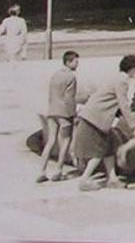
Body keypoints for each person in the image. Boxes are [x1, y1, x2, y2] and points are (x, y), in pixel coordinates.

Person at [73, 54, 135, 190]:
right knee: (99, 151)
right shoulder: (122, 82)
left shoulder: (114, 78)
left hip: (93, 116)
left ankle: (113, 179)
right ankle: (84, 180)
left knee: (109, 148)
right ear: (133, 69)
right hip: (97, 119)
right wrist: (134, 126)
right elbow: (124, 105)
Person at [36, 50, 80, 182]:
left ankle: (41, 171)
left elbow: (51, 94)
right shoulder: (71, 77)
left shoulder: (55, 75)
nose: (77, 64)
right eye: (75, 62)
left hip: (52, 110)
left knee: (51, 141)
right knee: (66, 141)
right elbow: (69, 98)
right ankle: (58, 170)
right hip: (64, 112)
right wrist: (73, 113)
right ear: (69, 62)